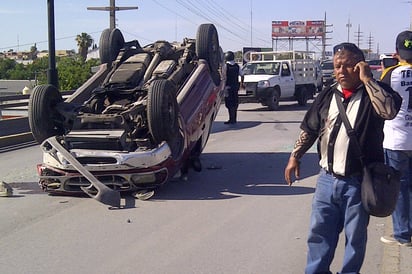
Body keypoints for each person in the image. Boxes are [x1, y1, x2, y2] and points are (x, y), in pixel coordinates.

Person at [284, 42, 402, 274]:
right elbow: (311, 128)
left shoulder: (374, 93)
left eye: (348, 66)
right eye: (338, 66)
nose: (341, 71)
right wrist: (294, 156)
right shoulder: (328, 94)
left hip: (358, 182)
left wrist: (368, 80)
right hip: (326, 180)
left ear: (360, 66)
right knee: (318, 234)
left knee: (355, 238)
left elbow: (388, 111)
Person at [379, 30, 412, 247]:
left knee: (400, 187)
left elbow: (380, 103)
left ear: (397, 52)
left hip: (397, 140)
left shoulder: (390, 74)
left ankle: (402, 234)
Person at [223, 51, 244, 124]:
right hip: (235, 87)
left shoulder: (226, 66)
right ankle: (234, 119)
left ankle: (231, 119)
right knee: (235, 103)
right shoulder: (237, 66)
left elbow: (224, 76)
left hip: (228, 87)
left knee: (229, 103)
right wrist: (241, 84)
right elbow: (242, 75)